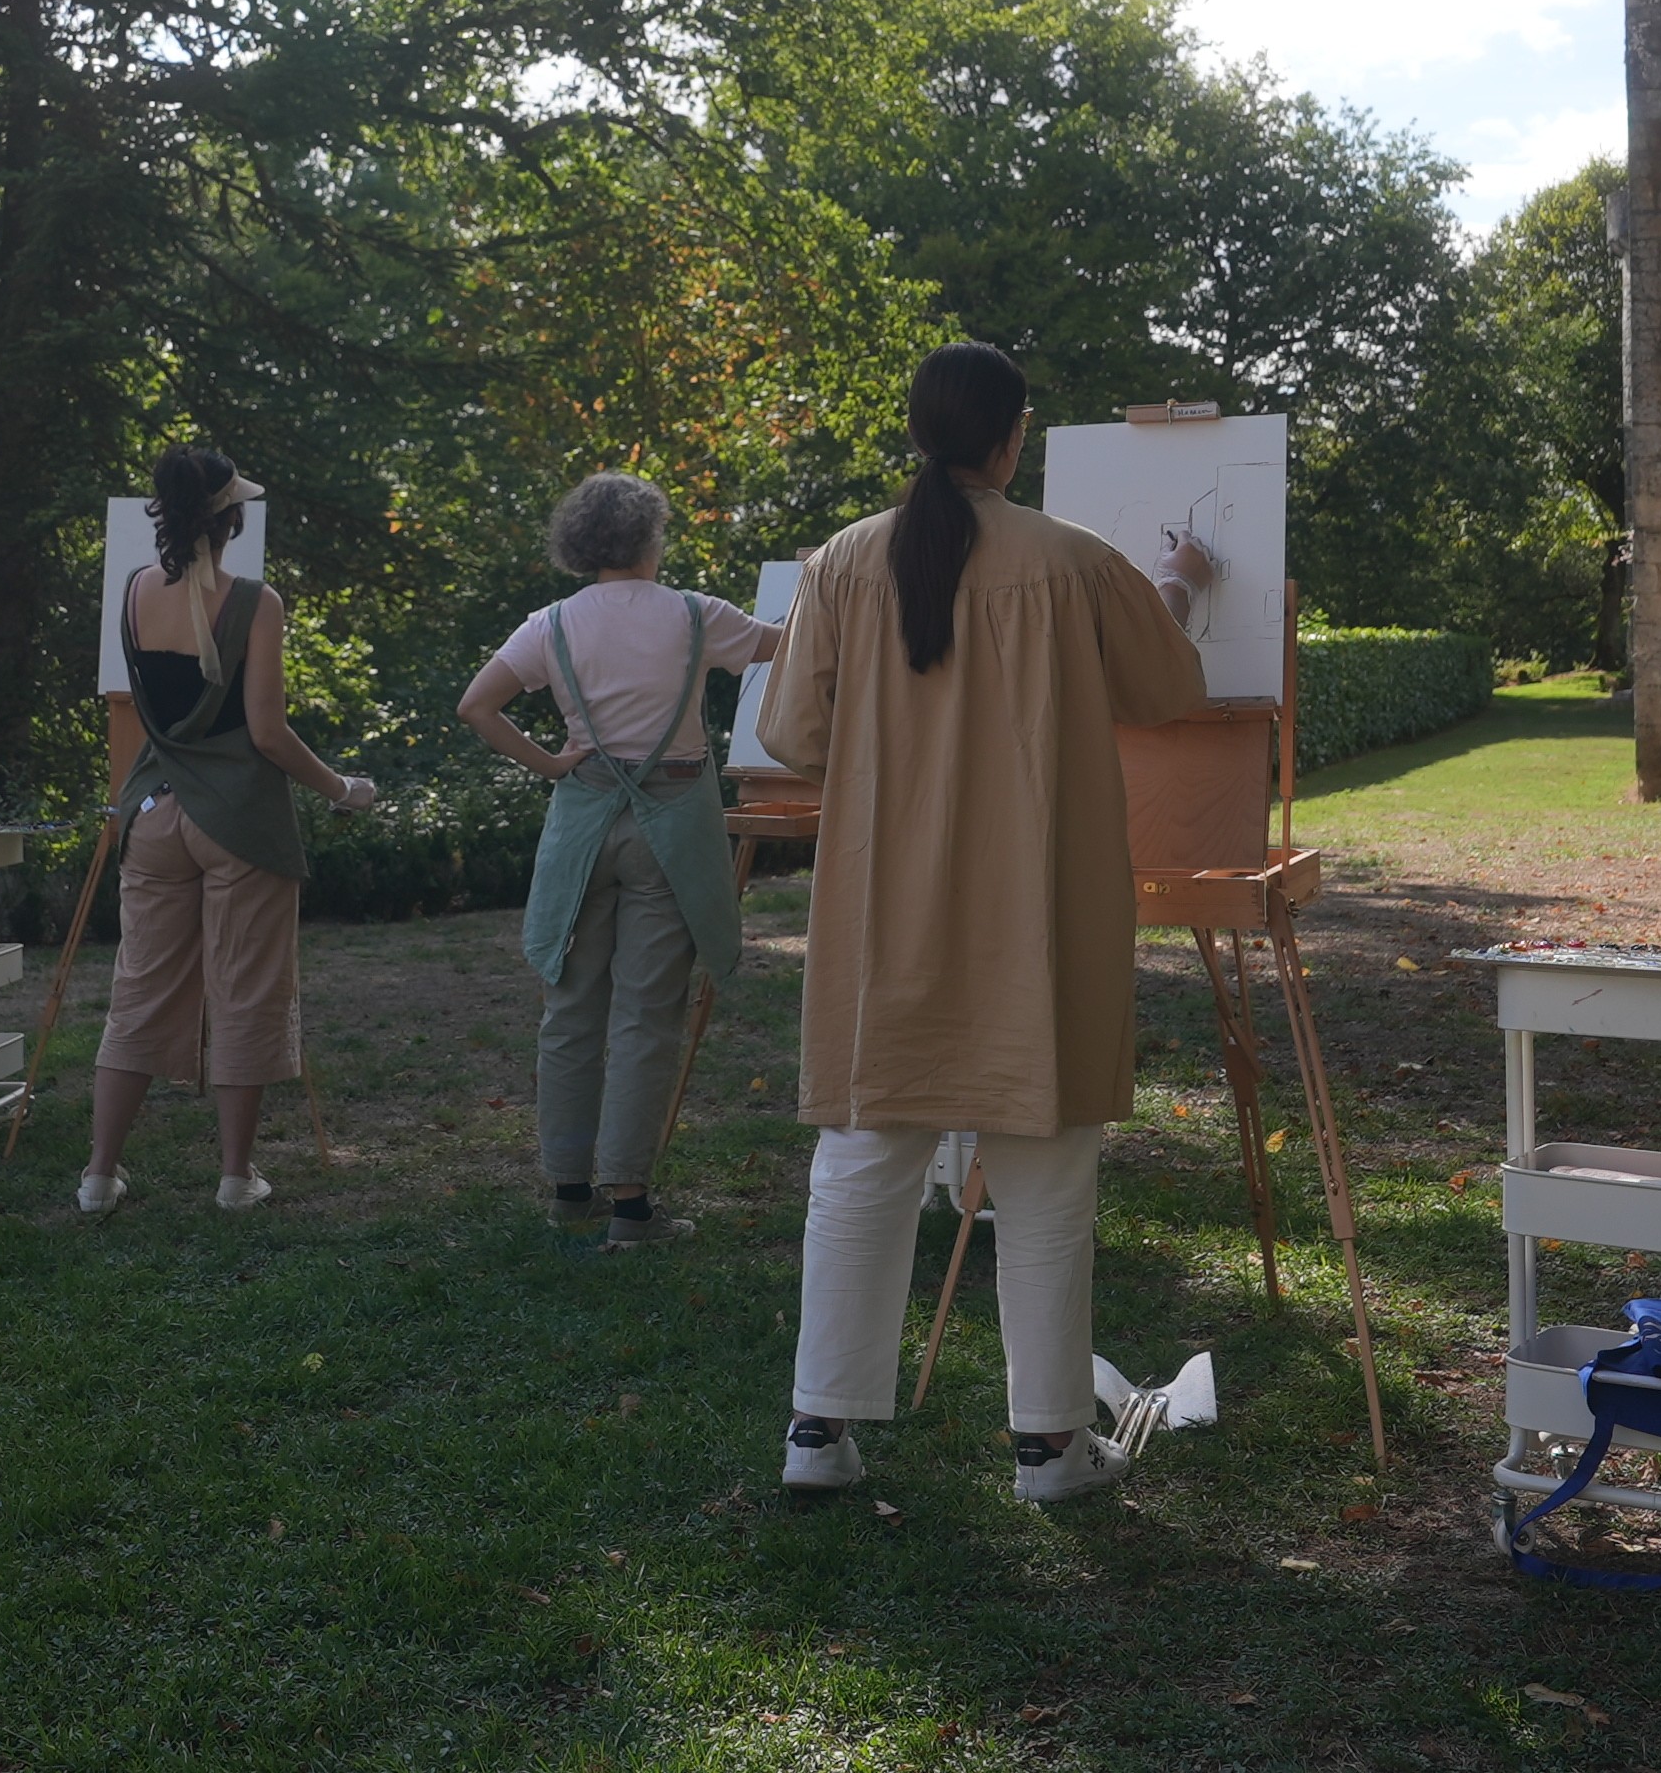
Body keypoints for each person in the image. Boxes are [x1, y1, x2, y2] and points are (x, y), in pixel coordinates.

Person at [754, 342, 1204, 1503]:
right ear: (1009, 441)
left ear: (918, 433)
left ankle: (818, 1433)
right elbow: (1168, 692)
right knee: (1045, 1165)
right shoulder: (1073, 561)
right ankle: (1050, 1449)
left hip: (882, 898)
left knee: (863, 1155)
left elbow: (795, 737)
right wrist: (1179, 593)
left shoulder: (843, 561)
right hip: (1034, 900)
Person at [457, 471, 783, 1248]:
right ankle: (631, 1207)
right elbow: (791, 645)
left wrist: (550, 763)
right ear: (649, 537)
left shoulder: (553, 624)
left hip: (584, 822)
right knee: (646, 1017)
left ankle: (569, 1191)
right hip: (672, 826)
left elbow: (477, 706)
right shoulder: (698, 616)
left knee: (570, 1012)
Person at [79, 446, 380, 1218]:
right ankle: (236, 1178)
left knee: (139, 993)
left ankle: (99, 1176)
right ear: (230, 516)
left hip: (152, 814)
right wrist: (343, 789)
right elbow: (269, 733)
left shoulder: (135, 591)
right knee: (246, 992)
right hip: (238, 822)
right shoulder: (256, 601)